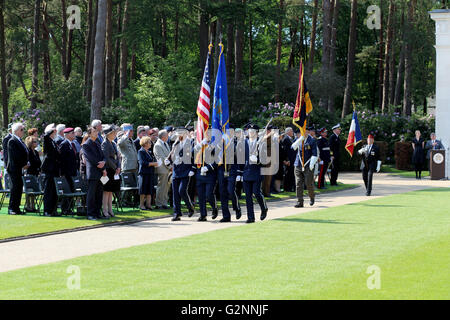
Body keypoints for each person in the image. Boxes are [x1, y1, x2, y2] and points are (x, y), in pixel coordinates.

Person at [242, 123, 268, 223]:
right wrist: (240, 173)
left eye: (252, 131)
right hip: (246, 172)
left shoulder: (261, 143)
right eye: (249, 131)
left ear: (257, 133)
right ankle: (250, 217)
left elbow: (265, 160)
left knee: (256, 193)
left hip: (257, 171)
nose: (250, 133)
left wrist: (257, 160)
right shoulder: (244, 142)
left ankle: (263, 208)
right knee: (248, 196)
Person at [169, 128, 195, 221]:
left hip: (186, 170)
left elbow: (194, 157)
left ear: (185, 134)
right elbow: (172, 156)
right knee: (175, 193)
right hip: (176, 170)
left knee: (182, 191)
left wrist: (193, 168)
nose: (178, 135)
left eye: (180, 133)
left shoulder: (191, 142)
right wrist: (169, 160)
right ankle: (177, 213)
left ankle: (190, 207)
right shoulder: (176, 144)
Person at [82, 127, 107, 220]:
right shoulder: (86, 145)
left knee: (99, 194)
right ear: (89, 134)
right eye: (94, 131)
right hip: (93, 173)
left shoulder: (97, 143)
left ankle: (97, 213)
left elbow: (103, 156)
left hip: (100, 172)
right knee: (91, 195)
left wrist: (104, 164)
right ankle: (90, 214)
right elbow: (90, 158)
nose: (96, 133)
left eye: (97, 131)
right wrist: (100, 164)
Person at [194, 130, 217, 222]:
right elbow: (193, 153)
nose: (208, 135)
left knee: (209, 194)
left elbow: (218, 159)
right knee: (201, 195)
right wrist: (201, 144)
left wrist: (209, 167)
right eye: (206, 133)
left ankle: (214, 208)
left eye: (209, 134)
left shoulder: (215, 145)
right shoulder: (201, 144)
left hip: (210, 174)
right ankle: (203, 214)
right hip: (200, 173)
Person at [292, 126, 318, 208]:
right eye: (302, 131)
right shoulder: (298, 139)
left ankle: (311, 197)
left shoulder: (312, 140)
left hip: (308, 165)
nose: (304, 133)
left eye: (305, 131)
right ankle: (300, 202)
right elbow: (293, 147)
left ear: (308, 132)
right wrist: (300, 139)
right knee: (298, 183)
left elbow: (315, 153)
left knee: (308, 183)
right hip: (298, 164)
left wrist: (312, 164)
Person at [7, 123, 29, 215]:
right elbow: (15, 156)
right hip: (14, 168)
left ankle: (16, 208)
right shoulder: (12, 140)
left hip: (19, 168)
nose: (23, 131)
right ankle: (12, 208)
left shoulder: (20, 140)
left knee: (19, 188)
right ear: (16, 131)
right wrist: (23, 164)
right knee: (15, 188)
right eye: (21, 130)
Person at [58, 127, 79, 215]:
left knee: (71, 190)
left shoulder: (72, 144)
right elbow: (61, 160)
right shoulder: (64, 144)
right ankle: (65, 209)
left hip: (72, 172)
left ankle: (69, 208)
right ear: (66, 135)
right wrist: (62, 173)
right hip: (66, 173)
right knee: (67, 191)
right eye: (72, 133)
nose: (74, 134)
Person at [41, 124, 61, 216]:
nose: (55, 132)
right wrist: (50, 131)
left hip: (55, 170)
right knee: (48, 191)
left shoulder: (54, 141)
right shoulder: (47, 140)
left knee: (54, 191)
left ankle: (53, 210)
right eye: (53, 131)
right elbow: (45, 136)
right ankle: (47, 210)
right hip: (48, 170)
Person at [101, 125, 121, 218]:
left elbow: (117, 157)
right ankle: (105, 210)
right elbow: (107, 158)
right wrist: (115, 167)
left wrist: (118, 167)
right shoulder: (105, 143)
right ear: (108, 134)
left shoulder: (113, 143)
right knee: (106, 191)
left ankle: (110, 210)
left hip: (114, 170)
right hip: (108, 170)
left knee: (110, 191)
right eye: (113, 133)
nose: (114, 134)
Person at [137, 136, 159, 210]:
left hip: (150, 173)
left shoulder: (149, 152)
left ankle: (148, 205)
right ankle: (141, 205)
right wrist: (154, 164)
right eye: (149, 142)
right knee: (143, 190)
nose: (151, 144)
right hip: (143, 173)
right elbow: (143, 163)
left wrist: (154, 164)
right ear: (145, 143)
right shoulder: (140, 151)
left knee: (149, 189)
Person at [153, 129, 171, 209]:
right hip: (162, 168)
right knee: (161, 186)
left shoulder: (165, 143)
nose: (168, 136)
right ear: (163, 136)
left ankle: (164, 202)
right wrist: (170, 167)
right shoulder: (158, 145)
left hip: (167, 168)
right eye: (167, 135)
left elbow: (169, 156)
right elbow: (162, 158)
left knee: (166, 186)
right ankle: (159, 203)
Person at [24, 135, 41, 212]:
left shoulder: (36, 152)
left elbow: (38, 163)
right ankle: (28, 206)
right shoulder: (28, 152)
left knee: (33, 190)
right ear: (30, 143)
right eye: (35, 142)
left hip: (36, 173)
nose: (36, 143)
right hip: (29, 173)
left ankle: (33, 206)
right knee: (29, 190)